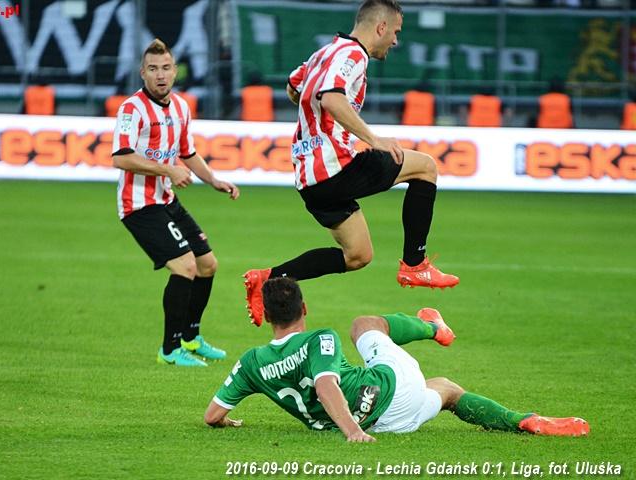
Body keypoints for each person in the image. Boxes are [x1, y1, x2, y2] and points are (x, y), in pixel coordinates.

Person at [243, 0, 458, 326]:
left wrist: (314, 122)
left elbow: (293, 86)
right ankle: (415, 264)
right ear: (381, 27)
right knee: (425, 167)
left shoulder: (323, 53)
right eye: (396, 32)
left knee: (358, 255)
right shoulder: (353, 54)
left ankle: (268, 279)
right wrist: (374, 139)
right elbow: (331, 98)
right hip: (335, 169)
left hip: (310, 180)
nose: (396, 41)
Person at [205, 278, 590, 441]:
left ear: (268, 316)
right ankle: (431, 326)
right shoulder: (319, 338)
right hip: (388, 394)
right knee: (364, 325)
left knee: (447, 390)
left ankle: (523, 421)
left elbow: (211, 415)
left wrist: (226, 421)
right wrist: (353, 431)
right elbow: (325, 385)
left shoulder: (251, 363)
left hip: (392, 425)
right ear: (303, 307)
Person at [111, 38, 240, 367]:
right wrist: (168, 169)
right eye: (153, 69)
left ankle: (191, 338)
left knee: (208, 264)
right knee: (186, 266)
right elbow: (122, 158)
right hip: (138, 205)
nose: (160, 75)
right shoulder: (132, 109)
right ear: (142, 73)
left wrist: (214, 180)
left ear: (175, 71)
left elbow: (188, 152)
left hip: (166, 200)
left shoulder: (182, 107)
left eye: (166, 68)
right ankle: (169, 349)